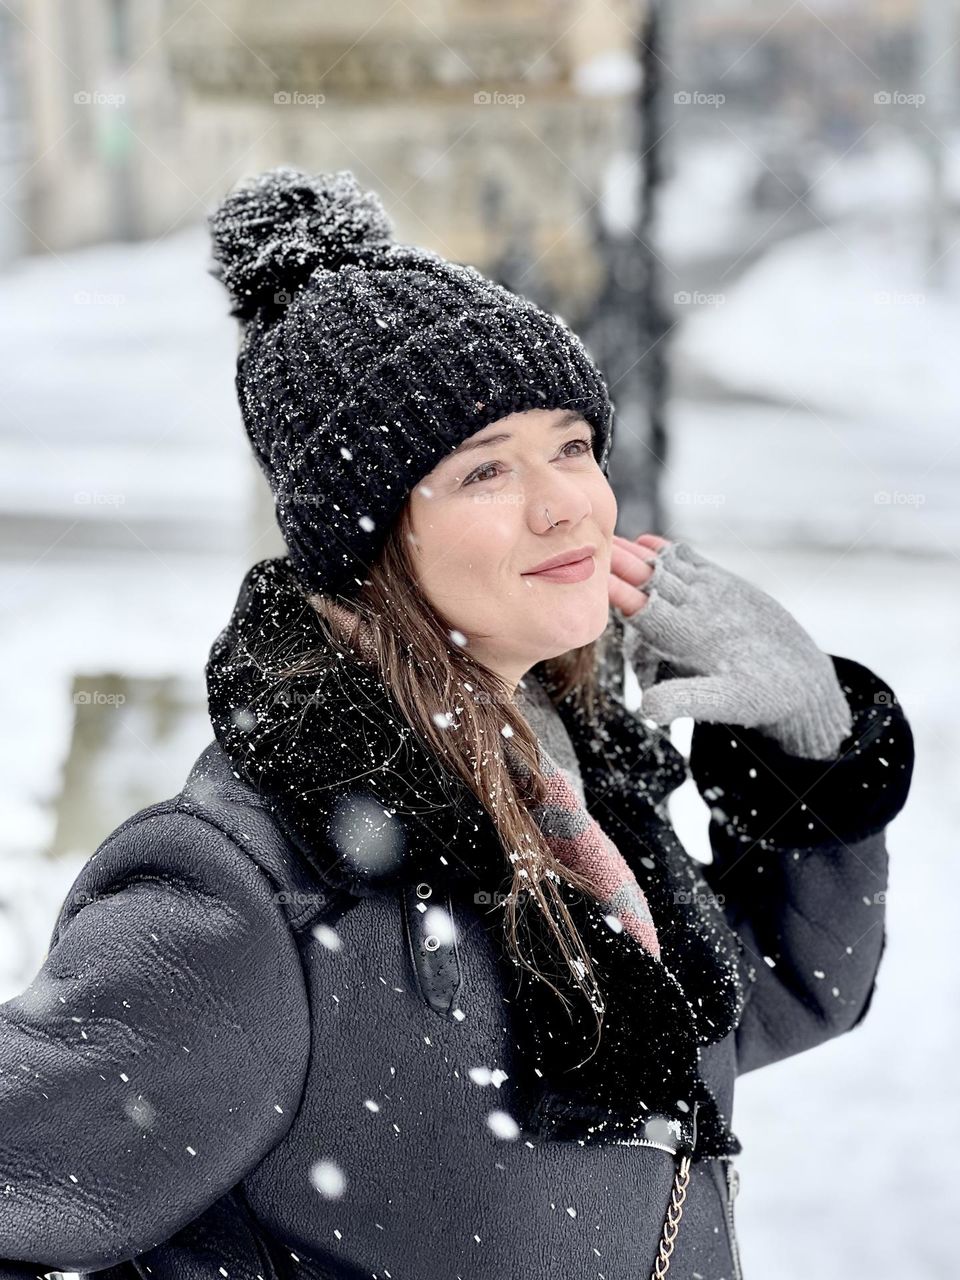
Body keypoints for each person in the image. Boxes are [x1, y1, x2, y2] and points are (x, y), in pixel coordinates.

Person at [0, 168, 914, 1280]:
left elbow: (763, 999)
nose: (564, 500)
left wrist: (807, 739)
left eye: (572, 444)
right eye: (486, 469)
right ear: (373, 541)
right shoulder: (256, 889)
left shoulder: (569, 793)